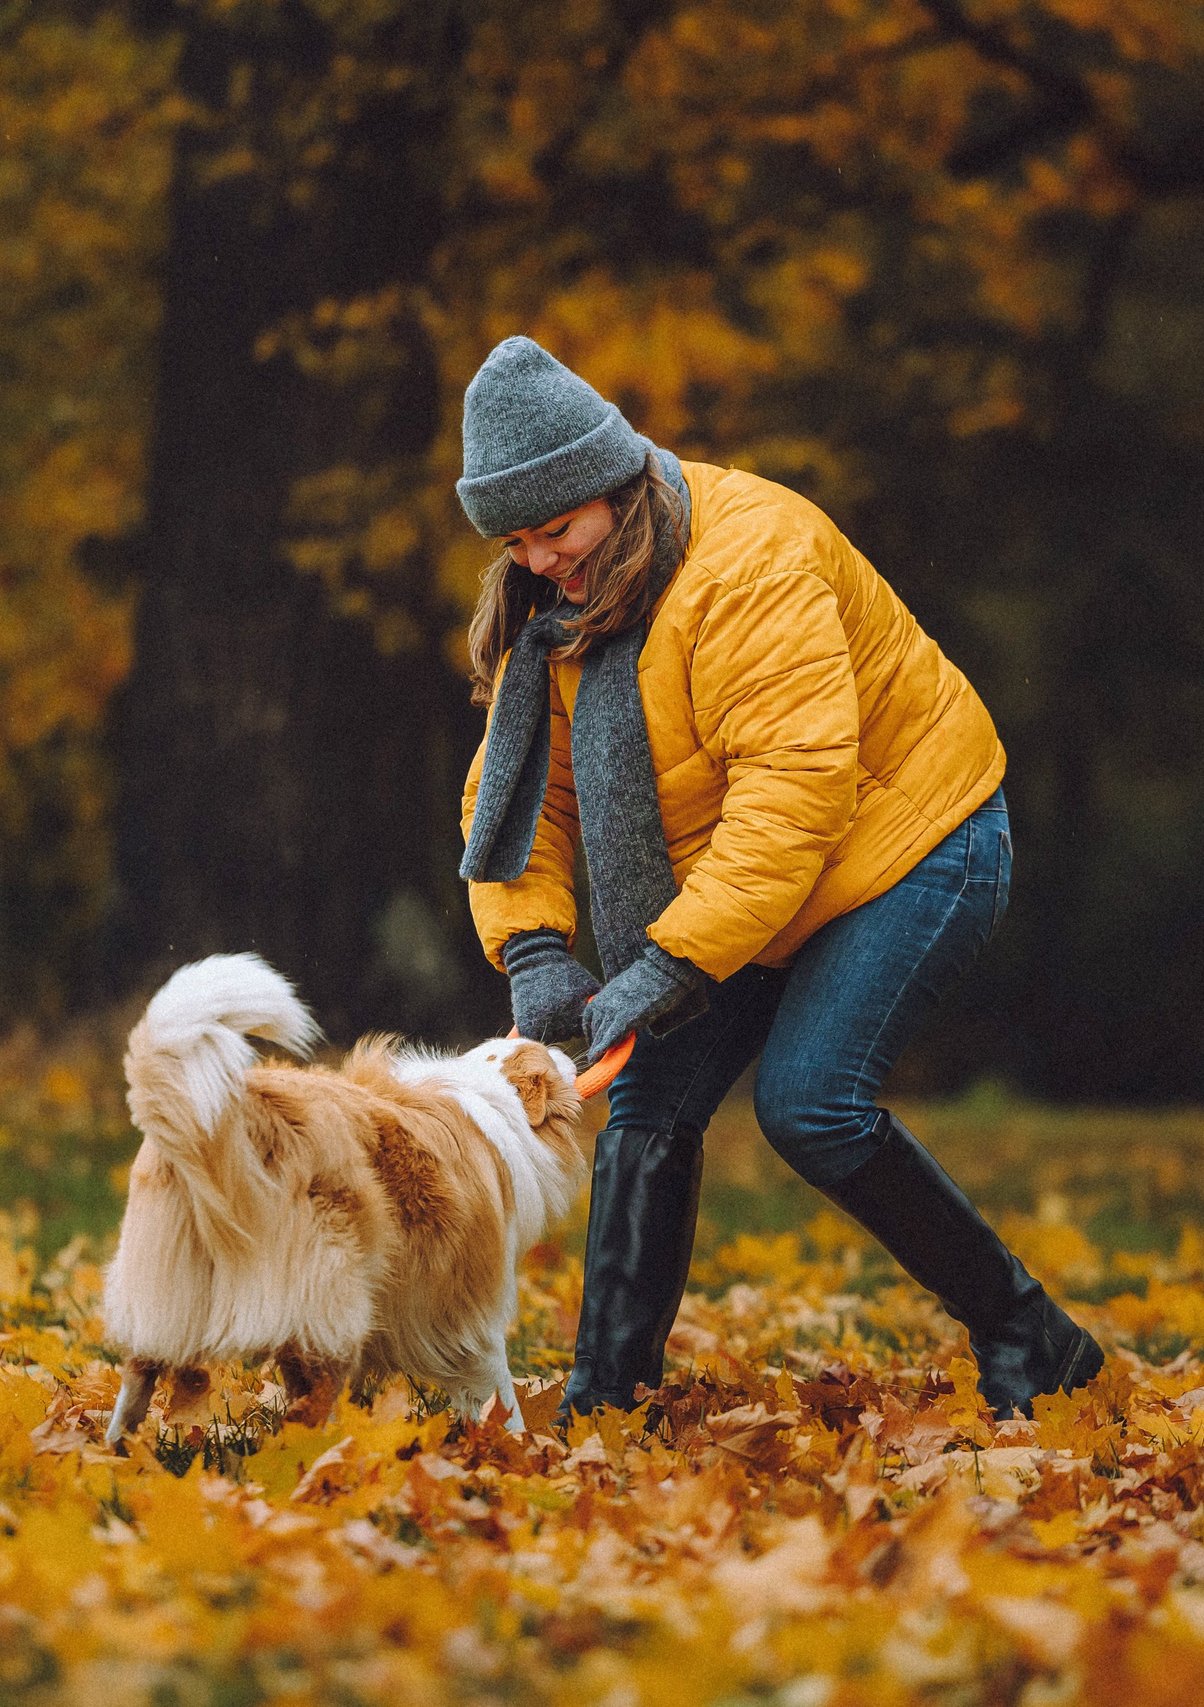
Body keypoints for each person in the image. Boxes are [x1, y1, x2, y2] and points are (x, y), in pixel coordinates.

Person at [455, 336, 1103, 1421]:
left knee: (812, 1107)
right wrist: (532, 950)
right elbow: (524, 796)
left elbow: (793, 795)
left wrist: (663, 964)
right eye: (517, 542)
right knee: (648, 1106)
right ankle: (605, 1401)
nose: (540, 562)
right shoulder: (561, 610)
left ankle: (1029, 1338)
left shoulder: (751, 564)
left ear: (613, 488)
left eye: (555, 531)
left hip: (913, 839)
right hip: (750, 880)